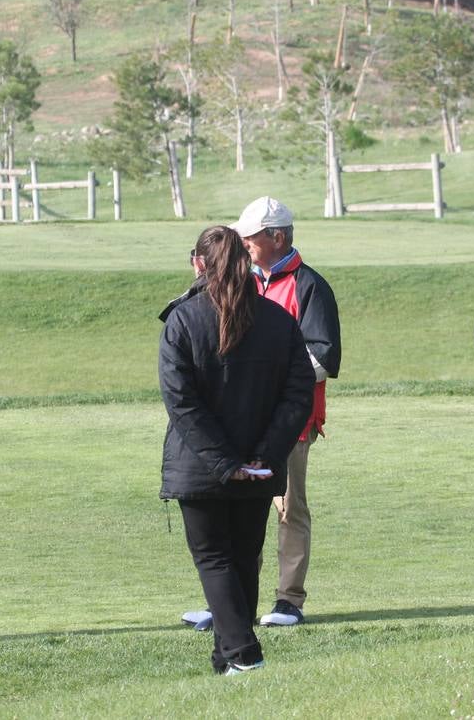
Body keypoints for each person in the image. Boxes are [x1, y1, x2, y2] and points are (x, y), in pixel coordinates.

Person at [159, 226, 316, 674]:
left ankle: (245, 656)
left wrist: (232, 462)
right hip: (253, 463)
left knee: (216, 558)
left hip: (204, 465)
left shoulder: (183, 320)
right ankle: (227, 658)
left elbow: (181, 403)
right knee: (243, 557)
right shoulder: (278, 320)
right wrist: (262, 456)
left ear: (198, 264)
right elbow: (298, 395)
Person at [231, 196, 342, 627]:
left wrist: (269, 383)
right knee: (241, 507)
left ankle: (288, 600)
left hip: (291, 418)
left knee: (288, 506)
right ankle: (235, 595)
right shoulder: (243, 280)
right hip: (244, 417)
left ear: (277, 237)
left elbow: (324, 358)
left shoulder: (309, 285)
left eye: (252, 237)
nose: (245, 245)